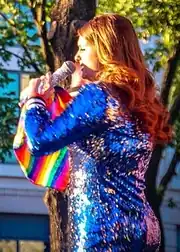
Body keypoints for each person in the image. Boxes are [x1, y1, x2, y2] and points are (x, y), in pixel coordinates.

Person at [22, 14, 172, 251]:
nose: (76, 57)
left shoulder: (98, 96)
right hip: (144, 230)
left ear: (105, 49)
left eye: (83, 48)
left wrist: (34, 102)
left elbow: (40, 141)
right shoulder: (138, 100)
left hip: (102, 231)